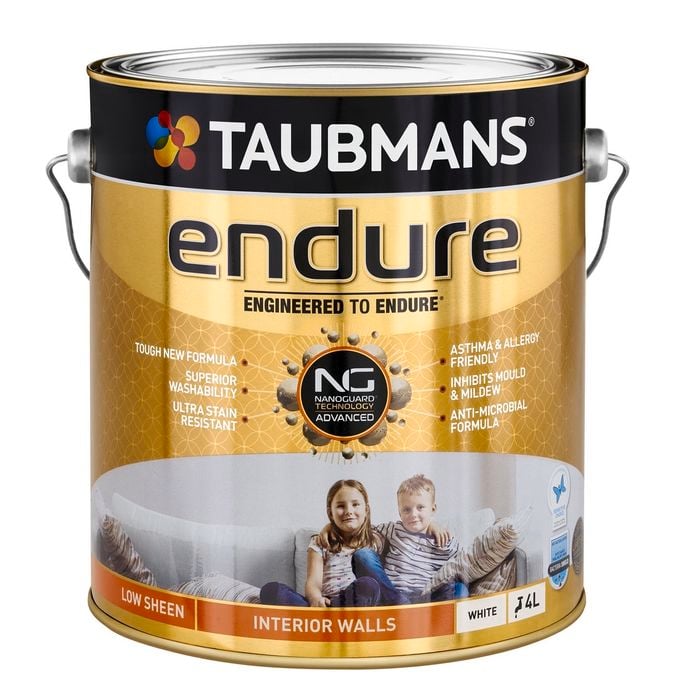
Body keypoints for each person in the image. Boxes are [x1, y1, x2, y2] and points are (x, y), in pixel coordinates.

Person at [260, 479, 383, 607]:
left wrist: (329, 526)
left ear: (366, 510)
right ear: (330, 513)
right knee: (271, 590)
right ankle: (326, 613)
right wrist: (316, 599)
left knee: (369, 586)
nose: (348, 511)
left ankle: (331, 612)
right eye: (341, 506)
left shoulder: (374, 540)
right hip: (323, 604)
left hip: (352, 603)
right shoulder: (320, 543)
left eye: (355, 504)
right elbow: (313, 583)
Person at [352, 474, 469, 604]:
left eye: (420, 507)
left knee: (460, 589)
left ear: (433, 509)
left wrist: (433, 524)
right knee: (362, 555)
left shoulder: (444, 539)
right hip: (393, 595)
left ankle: (431, 613)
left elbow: (464, 564)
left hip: (426, 597)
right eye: (407, 510)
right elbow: (365, 530)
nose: (413, 514)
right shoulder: (394, 529)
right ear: (399, 513)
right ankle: (398, 602)